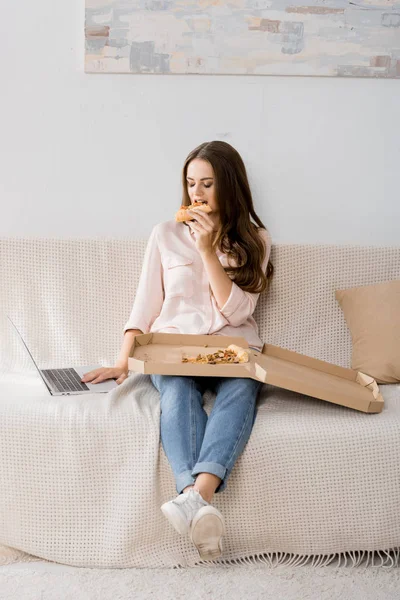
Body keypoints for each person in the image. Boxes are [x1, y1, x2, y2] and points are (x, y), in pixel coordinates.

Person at [82, 140, 274, 562]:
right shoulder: (165, 234)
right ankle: (196, 501)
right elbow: (145, 304)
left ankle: (193, 498)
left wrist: (208, 251)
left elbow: (238, 309)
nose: (198, 194)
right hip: (173, 350)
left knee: (243, 389)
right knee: (176, 390)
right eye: (191, 184)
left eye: (208, 184)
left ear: (230, 187)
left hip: (232, 351)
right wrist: (121, 361)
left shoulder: (255, 239)